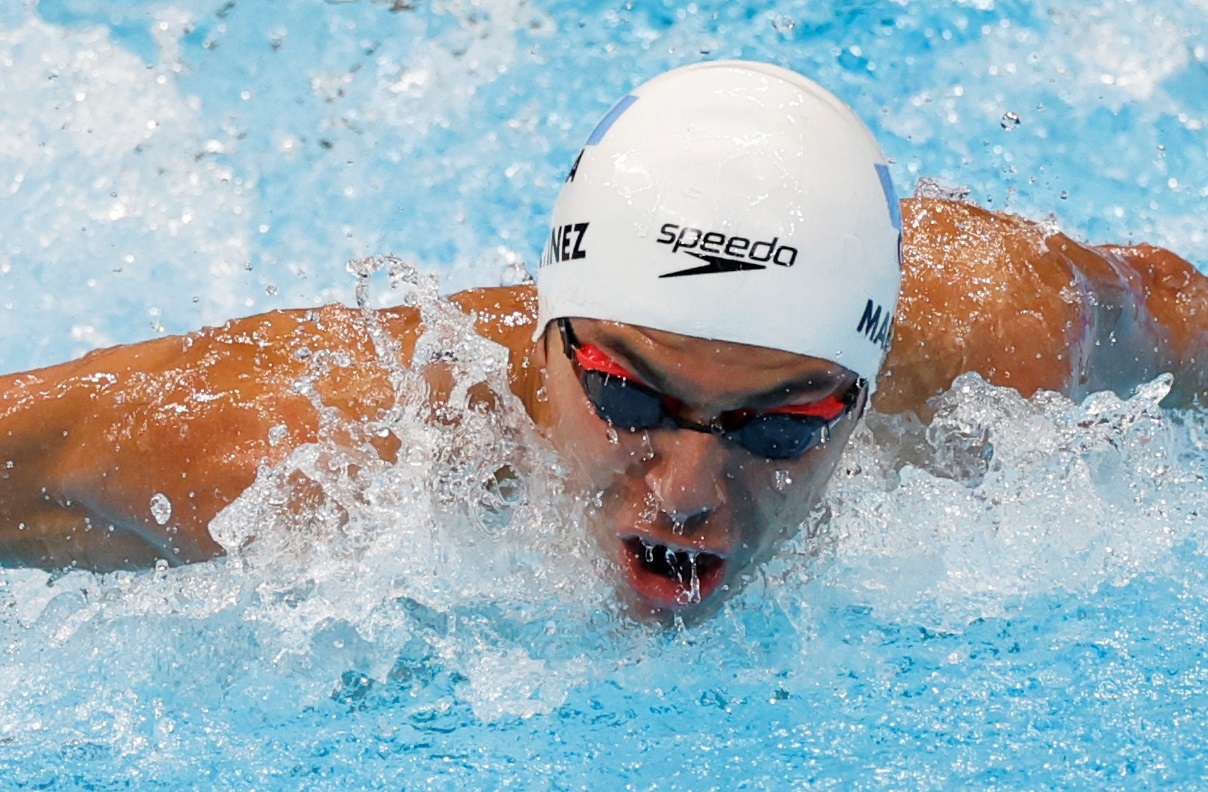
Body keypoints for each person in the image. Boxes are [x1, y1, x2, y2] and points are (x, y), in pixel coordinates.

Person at [0, 61, 1204, 616]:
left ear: (867, 385)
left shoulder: (1007, 332)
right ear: (542, 342)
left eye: (782, 423)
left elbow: (1174, 304)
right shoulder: (315, 454)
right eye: (630, 398)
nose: (685, 492)